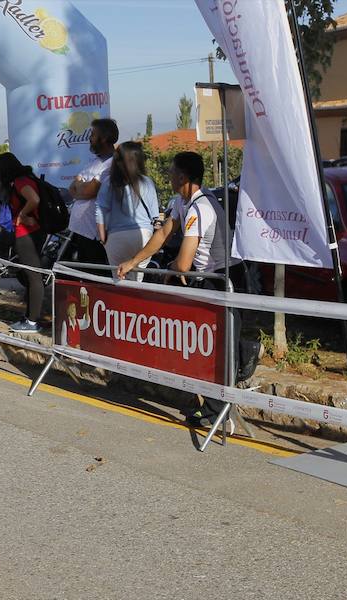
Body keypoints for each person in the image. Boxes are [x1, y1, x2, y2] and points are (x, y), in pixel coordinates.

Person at [117, 151, 260, 429]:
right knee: (209, 341)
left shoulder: (200, 208)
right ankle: (243, 355)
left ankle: (216, 410)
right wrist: (133, 261)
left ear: (182, 177)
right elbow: (163, 234)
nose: (168, 175)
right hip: (209, 275)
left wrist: (173, 267)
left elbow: (183, 263)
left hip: (225, 277)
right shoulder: (181, 202)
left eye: (171, 171)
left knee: (217, 345)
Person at [95, 141, 159, 282]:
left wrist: (102, 238)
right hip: (143, 235)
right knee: (137, 280)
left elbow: (100, 210)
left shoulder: (108, 182)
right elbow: (155, 216)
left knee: (119, 279)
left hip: (116, 237)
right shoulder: (147, 182)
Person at [0, 152, 45, 333]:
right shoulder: (26, 179)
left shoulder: (20, 182)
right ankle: (30, 317)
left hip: (27, 233)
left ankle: (31, 322)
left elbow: (34, 200)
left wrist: (22, 215)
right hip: (33, 231)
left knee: (33, 276)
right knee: (31, 275)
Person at [67, 118, 118, 267]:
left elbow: (91, 191)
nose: (89, 138)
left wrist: (81, 187)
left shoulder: (112, 164)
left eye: (93, 134)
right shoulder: (93, 162)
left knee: (95, 277)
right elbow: (72, 187)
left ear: (104, 138)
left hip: (95, 234)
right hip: (80, 230)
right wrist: (82, 188)